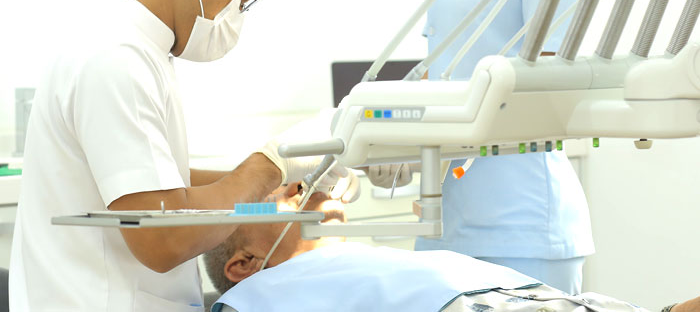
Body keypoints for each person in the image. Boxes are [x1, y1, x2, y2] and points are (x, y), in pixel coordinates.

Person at [9, 0, 355, 311]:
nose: (237, 16)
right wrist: (271, 165)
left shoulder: (134, 50)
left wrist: (285, 178)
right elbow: (164, 236)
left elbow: (160, 181)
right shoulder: (116, 58)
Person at [368, 0, 594, 295]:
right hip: (446, 221)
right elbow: (445, 65)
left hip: (521, 224)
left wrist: (442, 138)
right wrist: (398, 145)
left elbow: (550, 83)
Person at [203, 190, 670, 312]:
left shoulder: (349, 262)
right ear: (244, 265)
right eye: (275, 197)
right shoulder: (254, 298)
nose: (300, 189)